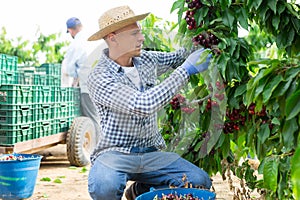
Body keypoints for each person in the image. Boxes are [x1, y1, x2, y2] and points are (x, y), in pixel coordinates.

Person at [86, 5, 213, 200]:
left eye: (141, 32)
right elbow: (142, 105)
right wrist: (186, 70)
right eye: (134, 33)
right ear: (113, 38)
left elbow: (177, 58)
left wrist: (202, 33)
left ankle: (139, 190)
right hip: (115, 154)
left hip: (151, 152)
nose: (141, 38)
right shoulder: (100, 77)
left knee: (198, 180)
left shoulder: (145, 60)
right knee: (105, 186)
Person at [61, 17, 101, 142]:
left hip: (88, 87)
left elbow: (70, 69)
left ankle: (99, 151)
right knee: (100, 117)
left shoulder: (76, 44)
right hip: (102, 83)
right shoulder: (93, 40)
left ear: (70, 30)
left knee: (92, 119)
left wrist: (75, 78)